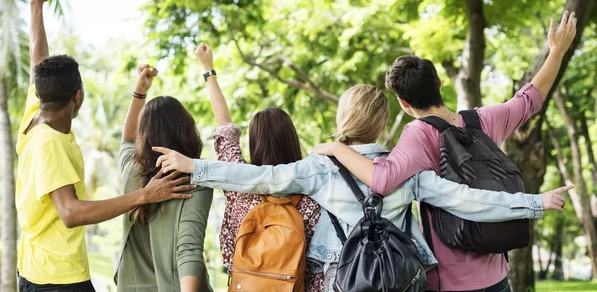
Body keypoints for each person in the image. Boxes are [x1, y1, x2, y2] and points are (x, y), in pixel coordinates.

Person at [152, 82, 571, 290]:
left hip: (344, 281)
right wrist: (534, 202)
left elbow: (259, 177)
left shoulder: (320, 168)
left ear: (343, 119)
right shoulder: (405, 168)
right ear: (384, 124)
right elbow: (468, 200)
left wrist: (195, 166)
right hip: (402, 280)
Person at [309, 11, 578, 292]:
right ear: (439, 83)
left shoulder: (418, 134)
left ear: (403, 103)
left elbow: (382, 179)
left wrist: (336, 148)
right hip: (497, 275)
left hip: (452, 281)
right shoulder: (484, 120)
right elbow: (530, 99)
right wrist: (557, 51)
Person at [16, 0, 193, 292]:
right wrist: (145, 194)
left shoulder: (36, 111)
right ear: (77, 96)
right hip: (57, 279)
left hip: (35, 268)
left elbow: (37, 60)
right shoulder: (50, 144)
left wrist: (36, 8)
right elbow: (70, 212)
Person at [193, 43, 324, 291]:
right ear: (292, 139)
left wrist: (208, 69)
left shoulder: (238, 184)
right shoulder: (314, 191)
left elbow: (225, 128)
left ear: (255, 142)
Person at [114, 65, 214, 292]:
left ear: (144, 133)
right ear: (186, 130)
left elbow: (127, 139)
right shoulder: (195, 182)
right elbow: (189, 249)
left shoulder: (131, 169)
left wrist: (139, 92)